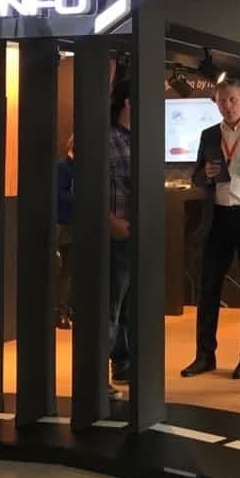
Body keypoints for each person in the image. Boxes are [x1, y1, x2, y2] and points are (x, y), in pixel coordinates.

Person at [183, 79, 240, 380]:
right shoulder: (208, 134)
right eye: (222, 101)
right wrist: (205, 175)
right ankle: (205, 356)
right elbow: (195, 176)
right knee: (208, 289)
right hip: (217, 218)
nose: (227, 106)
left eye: (232, 100)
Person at [107, 81, 133, 398]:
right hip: (115, 233)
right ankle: (94, 379)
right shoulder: (106, 137)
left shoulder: (137, 137)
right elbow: (88, 183)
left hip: (137, 234)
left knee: (129, 308)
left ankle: (124, 364)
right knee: (109, 308)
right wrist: (109, 221)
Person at [54, 135, 75, 330]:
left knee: (73, 270)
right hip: (65, 224)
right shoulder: (63, 167)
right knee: (67, 271)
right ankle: (61, 312)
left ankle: (69, 309)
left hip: (77, 224)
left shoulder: (77, 167)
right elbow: (60, 196)